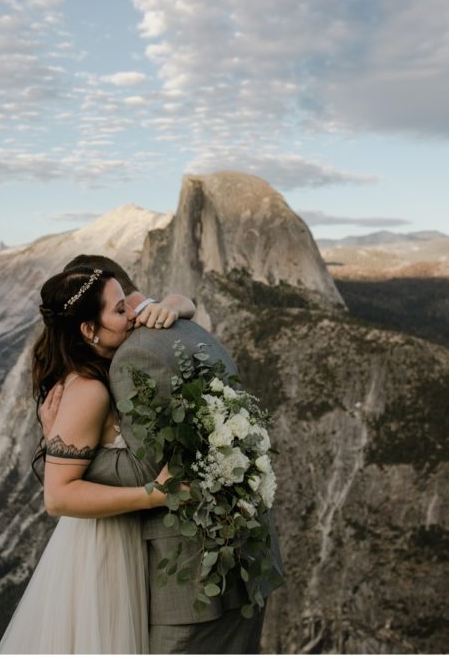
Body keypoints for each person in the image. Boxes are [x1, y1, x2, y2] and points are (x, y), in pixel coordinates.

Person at [66, 255, 287, 654]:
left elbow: (148, 470)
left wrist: (70, 455)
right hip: (247, 557)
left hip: (196, 580)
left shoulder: (132, 356)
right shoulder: (187, 326)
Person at [0, 264, 195, 654]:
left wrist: (173, 305)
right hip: (102, 548)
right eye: (120, 310)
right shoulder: (89, 389)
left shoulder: (101, 366)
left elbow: (180, 303)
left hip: (117, 536)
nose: (133, 314)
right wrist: (154, 494)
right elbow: (58, 497)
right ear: (89, 330)